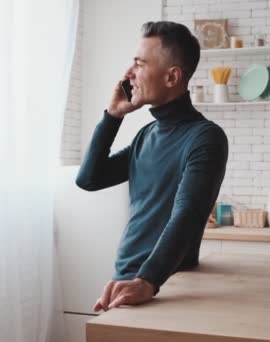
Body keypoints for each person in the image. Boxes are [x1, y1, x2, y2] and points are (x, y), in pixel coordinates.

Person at [76, 21, 229, 312]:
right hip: (127, 281)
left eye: (139, 63)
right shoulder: (147, 135)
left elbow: (187, 215)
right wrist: (112, 115)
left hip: (166, 286)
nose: (128, 74)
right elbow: (89, 179)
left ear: (172, 76)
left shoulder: (205, 138)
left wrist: (148, 281)